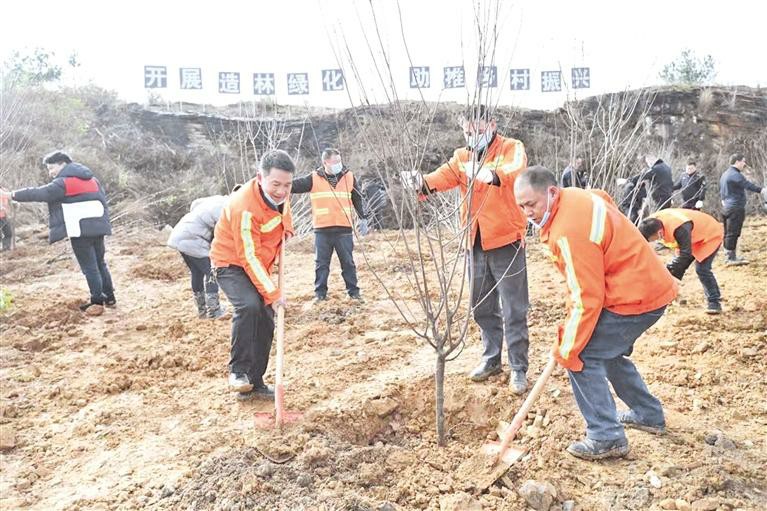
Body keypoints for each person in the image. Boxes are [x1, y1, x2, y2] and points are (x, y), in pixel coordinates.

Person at [514, 166, 678, 460]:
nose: (527, 212)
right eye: (521, 206)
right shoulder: (574, 195)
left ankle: (606, 437)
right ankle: (647, 413)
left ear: (551, 192)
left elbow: (586, 298)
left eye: (532, 204)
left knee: (582, 355)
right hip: (644, 284)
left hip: (636, 295)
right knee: (607, 350)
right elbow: (604, 198)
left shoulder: (567, 232)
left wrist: (567, 346)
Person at [403, 104, 531, 394]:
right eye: (467, 131)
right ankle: (491, 358)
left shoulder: (511, 147)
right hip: (475, 242)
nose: (472, 135)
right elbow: (440, 177)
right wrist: (420, 182)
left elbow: (516, 170)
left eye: (478, 129)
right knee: (481, 306)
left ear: (492, 124)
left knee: (514, 308)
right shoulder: (461, 157)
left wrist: (491, 174)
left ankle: (519, 367)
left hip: (507, 240)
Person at [210, 150, 294, 401]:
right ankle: (238, 372)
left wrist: (286, 228)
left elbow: (283, 212)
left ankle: (255, 381)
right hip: (230, 263)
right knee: (249, 306)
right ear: (260, 178)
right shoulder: (243, 207)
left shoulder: (281, 195)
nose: (281, 190)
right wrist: (273, 293)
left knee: (267, 316)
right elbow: (248, 256)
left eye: (287, 185)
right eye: (276, 184)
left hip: (258, 263)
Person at [1, 151, 115, 311]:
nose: (51, 172)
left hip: (80, 229)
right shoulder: (92, 179)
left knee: (89, 267)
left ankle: (97, 301)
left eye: (52, 168)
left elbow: (39, 193)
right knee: (100, 263)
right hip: (99, 227)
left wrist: (11, 195)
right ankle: (109, 297)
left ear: (63, 164)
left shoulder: (63, 183)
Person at [290, 148, 368, 301]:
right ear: (325, 162)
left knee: (348, 263)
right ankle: (320, 294)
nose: (339, 164)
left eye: (340, 161)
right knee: (321, 264)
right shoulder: (313, 178)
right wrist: (279, 183)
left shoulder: (349, 176)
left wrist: (362, 217)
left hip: (344, 229)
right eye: (335, 162)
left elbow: (357, 198)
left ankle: (354, 292)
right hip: (322, 230)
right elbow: (293, 186)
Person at [639, 209, 723, 314]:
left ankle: (714, 302)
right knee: (675, 269)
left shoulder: (679, 227)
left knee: (702, 269)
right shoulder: (650, 224)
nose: (654, 242)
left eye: (653, 239)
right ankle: (673, 296)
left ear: (659, 233)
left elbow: (686, 254)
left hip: (709, 234)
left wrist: (668, 269)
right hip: (691, 236)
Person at [167, 192, 232, 319]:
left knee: (197, 272)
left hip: (180, 234)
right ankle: (214, 310)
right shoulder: (227, 207)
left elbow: (194, 204)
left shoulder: (216, 199)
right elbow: (221, 232)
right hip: (193, 239)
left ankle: (202, 309)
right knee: (212, 271)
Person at [719, 153, 764, 266]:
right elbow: (747, 185)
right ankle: (730, 258)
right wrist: (761, 190)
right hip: (735, 208)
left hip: (726, 207)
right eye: (743, 161)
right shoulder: (735, 174)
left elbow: (722, 191)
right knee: (733, 232)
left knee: (728, 232)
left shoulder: (725, 174)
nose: (744, 164)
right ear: (737, 162)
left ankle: (729, 255)